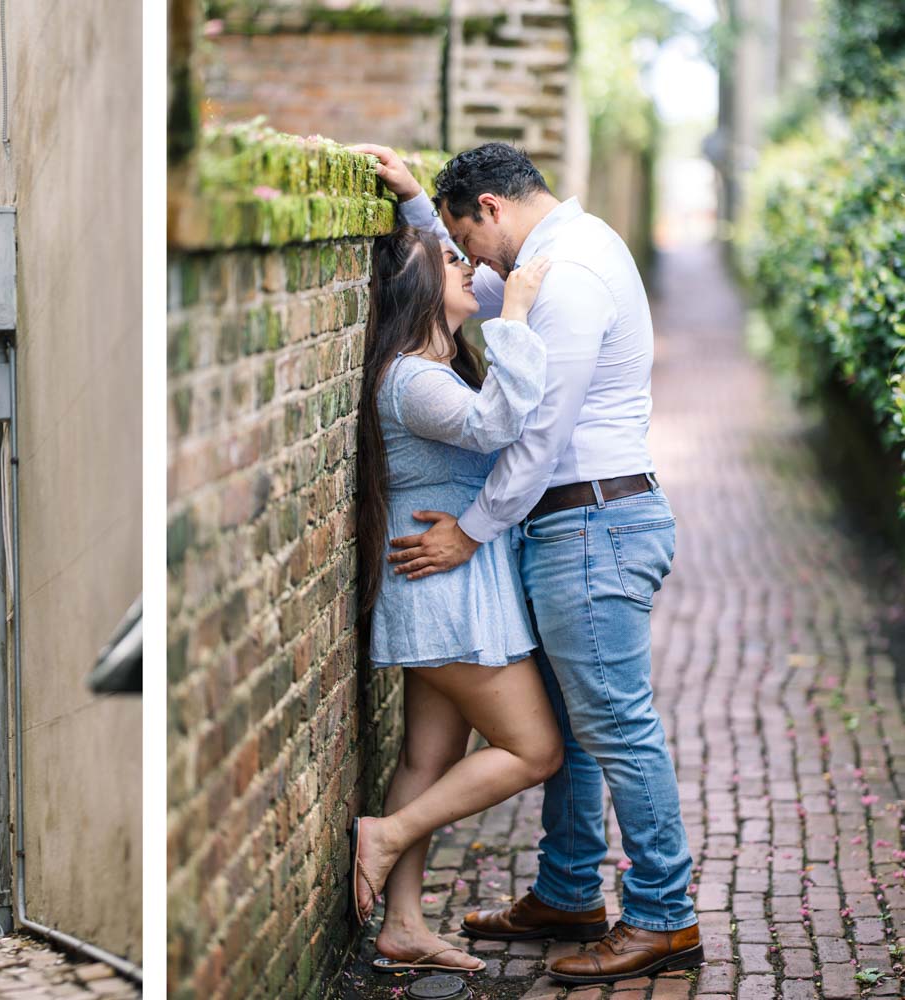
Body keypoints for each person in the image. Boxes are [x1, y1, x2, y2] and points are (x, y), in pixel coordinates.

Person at [351, 140, 702, 985]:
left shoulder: (568, 273)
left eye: (467, 239)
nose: (467, 261)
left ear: (494, 210)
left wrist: (470, 530)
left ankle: (663, 915)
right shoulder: (541, 257)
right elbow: (461, 286)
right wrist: (415, 204)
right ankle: (567, 891)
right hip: (573, 527)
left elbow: (536, 434)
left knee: (613, 725)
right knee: (578, 728)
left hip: (593, 524)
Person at [348, 220, 562, 974]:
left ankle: (402, 926)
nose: (467, 263)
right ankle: (388, 834)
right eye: (448, 258)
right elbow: (500, 422)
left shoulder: (431, 369)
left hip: (449, 586)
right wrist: (515, 321)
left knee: (428, 756)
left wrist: (413, 194)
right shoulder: (412, 379)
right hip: (447, 596)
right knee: (535, 749)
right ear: (416, 289)